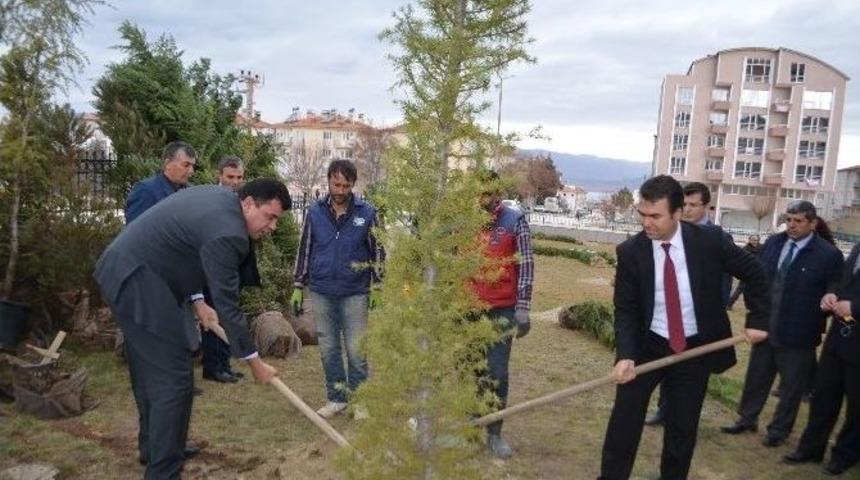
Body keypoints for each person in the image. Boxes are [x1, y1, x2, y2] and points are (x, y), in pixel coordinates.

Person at [94, 179, 289, 479]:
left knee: (148, 374)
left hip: (126, 272)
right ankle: (164, 470)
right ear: (249, 203)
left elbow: (183, 248)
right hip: (140, 284)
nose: (272, 227)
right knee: (174, 382)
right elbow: (228, 306)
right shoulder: (229, 232)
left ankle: (155, 448)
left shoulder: (221, 200)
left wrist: (199, 303)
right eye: (270, 217)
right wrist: (255, 363)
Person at [598, 175, 769, 480]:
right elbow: (626, 309)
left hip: (695, 348)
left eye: (655, 216)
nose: (647, 223)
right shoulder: (631, 252)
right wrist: (625, 354)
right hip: (647, 345)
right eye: (642, 214)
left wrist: (757, 321)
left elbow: (756, 272)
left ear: (678, 212)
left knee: (682, 426)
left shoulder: (709, 241)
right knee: (624, 420)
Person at [722, 201, 843, 447]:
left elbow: (835, 287)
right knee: (757, 377)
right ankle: (747, 418)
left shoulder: (828, 254)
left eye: (798, 221)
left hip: (799, 333)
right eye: (788, 220)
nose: (791, 225)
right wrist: (755, 318)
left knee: (791, 387)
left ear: (813, 223)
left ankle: (779, 430)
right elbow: (756, 280)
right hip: (766, 325)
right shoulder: (773, 244)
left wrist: (829, 299)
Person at [291, 159, 384, 418]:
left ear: (353, 184)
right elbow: (305, 248)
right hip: (321, 290)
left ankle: (359, 400)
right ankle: (336, 398)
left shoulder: (368, 213)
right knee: (329, 348)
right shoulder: (314, 212)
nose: (340, 190)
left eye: (346, 185)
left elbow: (378, 251)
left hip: (355, 292)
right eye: (336, 184)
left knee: (356, 349)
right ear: (329, 181)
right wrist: (298, 284)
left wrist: (378, 285)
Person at [644, 182, 734, 427]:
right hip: (670, 318)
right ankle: (664, 410)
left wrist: (714, 310)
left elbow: (724, 280)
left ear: (706, 206)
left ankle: (683, 418)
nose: (687, 209)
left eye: (693, 205)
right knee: (667, 364)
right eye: (684, 204)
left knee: (691, 376)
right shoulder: (672, 232)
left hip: (699, 323)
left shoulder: (716, 237)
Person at [470, 171, 533, 458]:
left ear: (498, 193)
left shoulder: (514, 220)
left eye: (488, 192)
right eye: (478, 192)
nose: (482, 197)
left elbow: (526, 264)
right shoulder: (463, 221)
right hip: (468, 309)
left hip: (501, 309)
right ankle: (471, 427)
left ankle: (494, 432)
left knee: (496, 372)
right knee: (470, 370)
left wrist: (523, 307)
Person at [783, 241, 860, 476]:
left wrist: (855, 308)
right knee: (823, 398)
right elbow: (843, 281)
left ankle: (845, 455)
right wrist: (831, 295)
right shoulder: (857, 248)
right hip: (838, 339)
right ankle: (811, 448)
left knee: (856, 408)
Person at [200, 156, 247, 384]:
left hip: (232, 266)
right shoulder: (209, 199)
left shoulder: (243, 200)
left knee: (229, 313)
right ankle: (212, 366)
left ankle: (225, 363)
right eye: (230, 177)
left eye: (239, 177)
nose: (235, 182)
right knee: (212, 314)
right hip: (211, 266)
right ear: (219, 175)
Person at [125, 141, 196, 223]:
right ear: (167, 164)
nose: (191, 171)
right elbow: (135, 228)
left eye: (192, 166)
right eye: (186, 165)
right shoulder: (146, 191)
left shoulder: (191, 191)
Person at [726, 235, 763, 309]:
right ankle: (729, 304)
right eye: (753, 240)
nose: (754, 242)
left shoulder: (762, 248)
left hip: (758, 273)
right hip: (747, 272)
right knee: (740, 289)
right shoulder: (745, 249)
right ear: (749, 240)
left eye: (756, 240)